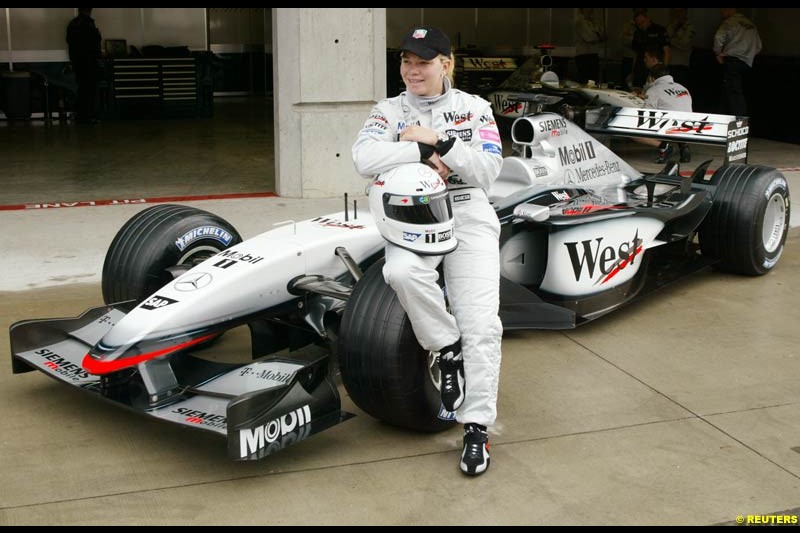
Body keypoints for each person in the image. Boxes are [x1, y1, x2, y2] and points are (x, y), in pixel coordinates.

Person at [352, 26, 503, 477]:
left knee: (481, 323)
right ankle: (445, 346)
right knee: (400, 273)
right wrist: (417, 153)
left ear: (446, 64)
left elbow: (489, 170)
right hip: (412, 212)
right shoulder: (388, 109)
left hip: (466, 209)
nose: (412, 70)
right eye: (406, 61)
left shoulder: (474, 109)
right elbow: (363, 158)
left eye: (423, 61)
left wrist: (445, 145)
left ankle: (476, 427)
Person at [633, 50, 693, 164]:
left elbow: (647, 113)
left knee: (632, 132)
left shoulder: (654, 90)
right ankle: (683, 145)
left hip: (669, 128)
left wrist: (642, 98)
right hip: (689, 126)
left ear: (652, 78)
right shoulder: (682, 87)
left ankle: (664, 146)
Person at [713, 8, 762, 117]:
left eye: (723, 10)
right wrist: (748, 55)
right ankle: (722, 117)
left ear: (730, 9)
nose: (721, 12)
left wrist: (718, 53)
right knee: (730, 90)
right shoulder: (751, 25)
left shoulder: (730, 22)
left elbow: (718, 37)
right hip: (747, 63)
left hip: (732, 60)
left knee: (734, 92)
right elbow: (758, 46)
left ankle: (740, 121)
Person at [66, 8, 102, 124]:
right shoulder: (88, 23)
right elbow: (94, 41)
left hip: (78, 62)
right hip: (89, 62)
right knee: (89, 90)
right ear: (89, 10)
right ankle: (88, 116)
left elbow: (69, 41)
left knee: (82, 89)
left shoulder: (73, 23)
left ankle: (81, 115)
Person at [631, 9, 670, 91]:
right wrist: (633, 70)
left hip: (655, 66)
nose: (641, 26)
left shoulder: (659, 30)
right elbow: (635, 53)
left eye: (642, 23)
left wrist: (664, 68)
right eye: (638, 24)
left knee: (654, 89)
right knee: (637, 89)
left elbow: (667, 51)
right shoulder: (637, 33)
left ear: (648, 19)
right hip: (640, 65)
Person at [574, 8, 605, 84]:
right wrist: (598, 36)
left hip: (594, 54)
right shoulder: (580, 22)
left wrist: (597, 35)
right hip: (583, 55)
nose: (589, 10)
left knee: (594, 81)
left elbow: (604, 35)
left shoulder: (595, 22)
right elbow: (589, 37)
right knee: (584, 81)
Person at [666, 8, 695, 88]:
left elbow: (684, 44)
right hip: (670, 62)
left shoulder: (689, 27)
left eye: (680, 11)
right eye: (676, 11)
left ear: (685, 12)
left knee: (679, 90)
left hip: (681, 64)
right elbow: (665, 37)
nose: (678, 14)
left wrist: (671, 40)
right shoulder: (672, 25)